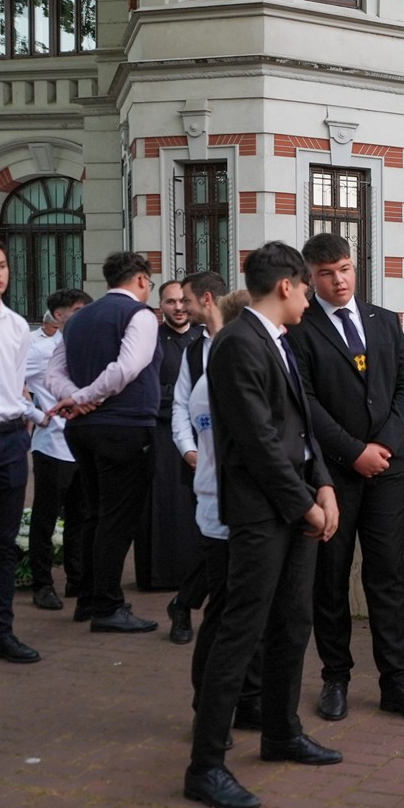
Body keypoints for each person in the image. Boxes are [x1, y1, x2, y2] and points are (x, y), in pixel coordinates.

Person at [184, 241, 341, 808]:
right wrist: (306, 506)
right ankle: (205, 766)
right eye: (307, 288)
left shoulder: (278, 339)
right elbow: (257, 442)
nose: (311, 299)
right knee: (241, 632)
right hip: (259, 514)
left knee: (292, 623)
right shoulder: (236, 344)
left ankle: (281, 732)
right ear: (286, 286)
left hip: (294, 506)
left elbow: (300, 427)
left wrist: (323, 484)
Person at [287, 233, 404, 723]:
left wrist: (386, 445)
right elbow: (305, 402)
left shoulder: (382, 320)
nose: (339, 281)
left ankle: (397, 679)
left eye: (345, 269)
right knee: (330, 578)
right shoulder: (300, 328)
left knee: (387, 575)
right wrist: (353, 453)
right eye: (327, 273)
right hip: (333, 475)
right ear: (311, 277)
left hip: (389, 471)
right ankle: (336, 676)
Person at [45, 251, 161, 633]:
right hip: (125, 426)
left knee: (95, 514)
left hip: (83, 431)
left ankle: (89, 599)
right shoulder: (140, 315)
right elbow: (128, 367)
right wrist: (83, 397)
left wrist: (75, 398)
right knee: (117, 519)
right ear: (141, 279)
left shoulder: (77, 319)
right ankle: (108, 606)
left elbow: (53, 374)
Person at [173, 285, 264, 732]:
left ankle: (247, 699)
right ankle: (208, 705)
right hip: (224, 509)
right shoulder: (216, 380)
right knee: (226, 614)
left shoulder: (230, 372)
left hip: (239, 507)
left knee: (247, 614)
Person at [166, 270, 230, 644]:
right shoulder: (193, 351)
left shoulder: (243, 337)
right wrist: (187, 448)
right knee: (210, 542)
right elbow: (180, 403)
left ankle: (183, 603)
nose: (182, 307)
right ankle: (186, 608)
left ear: (207, 299)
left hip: (243, 462)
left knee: (220, 547)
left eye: (186, 300)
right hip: (205, 463)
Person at [0, 236, 40, 663]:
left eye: (2, 266)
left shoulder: (18, 326)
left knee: (3, 544)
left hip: (8, 441)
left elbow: (18, 385)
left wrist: (30, 418)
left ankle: (1, 632)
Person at [23, 288, 91, 611]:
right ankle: (42, 583)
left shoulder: (88, 346)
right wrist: (36, 414)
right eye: (77, 310)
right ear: (59, 315)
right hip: (52, 445)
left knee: (80, 516)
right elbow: (6, 380)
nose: (84, 316)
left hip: (83, 444)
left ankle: (77, 580)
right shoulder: (39, 350)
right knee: (46, 517)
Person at [141, 280, 204, 594]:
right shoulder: (151, 340)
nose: (178, 308)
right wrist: (184, 398)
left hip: (202, 433)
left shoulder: (203, 338)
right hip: (163, 434)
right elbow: (148, 388)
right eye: (170, 302)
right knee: (166, 503)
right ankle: (163, 575)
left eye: (183, 301)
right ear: (160, 305)